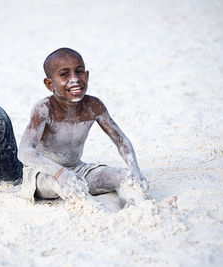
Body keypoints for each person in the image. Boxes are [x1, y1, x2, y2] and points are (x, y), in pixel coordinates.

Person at [18, 48, 148, 208]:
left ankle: (137, 206)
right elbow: (24, 152)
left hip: (77, 169)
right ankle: (94, 209)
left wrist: (134, 168)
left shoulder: (94, 105)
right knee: (67, 185)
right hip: (44, 175)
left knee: (124, 176)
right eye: (64, 74)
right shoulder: (44, 108)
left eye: (79, 72)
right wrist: (60, 173)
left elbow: (120, 140)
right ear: (49, 84)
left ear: (86, 76)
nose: (75, 79)